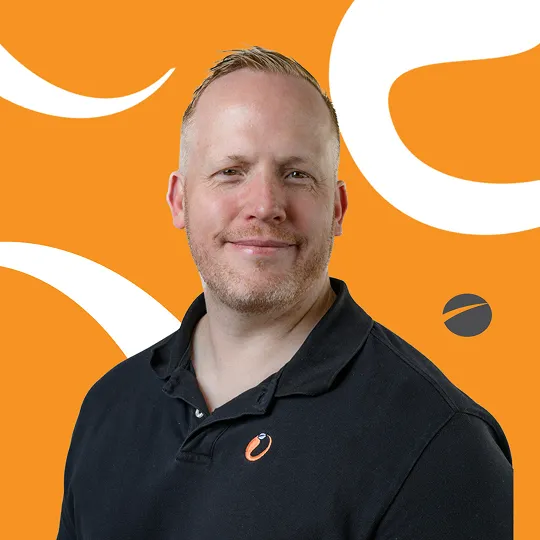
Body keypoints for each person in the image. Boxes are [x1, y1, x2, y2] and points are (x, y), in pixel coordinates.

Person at [57, 46, 512, 540]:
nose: (265, 204)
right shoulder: (109, 405)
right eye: (231, 171)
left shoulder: (440, 443)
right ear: (179, 200)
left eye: (296, 174)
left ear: (337, 209)